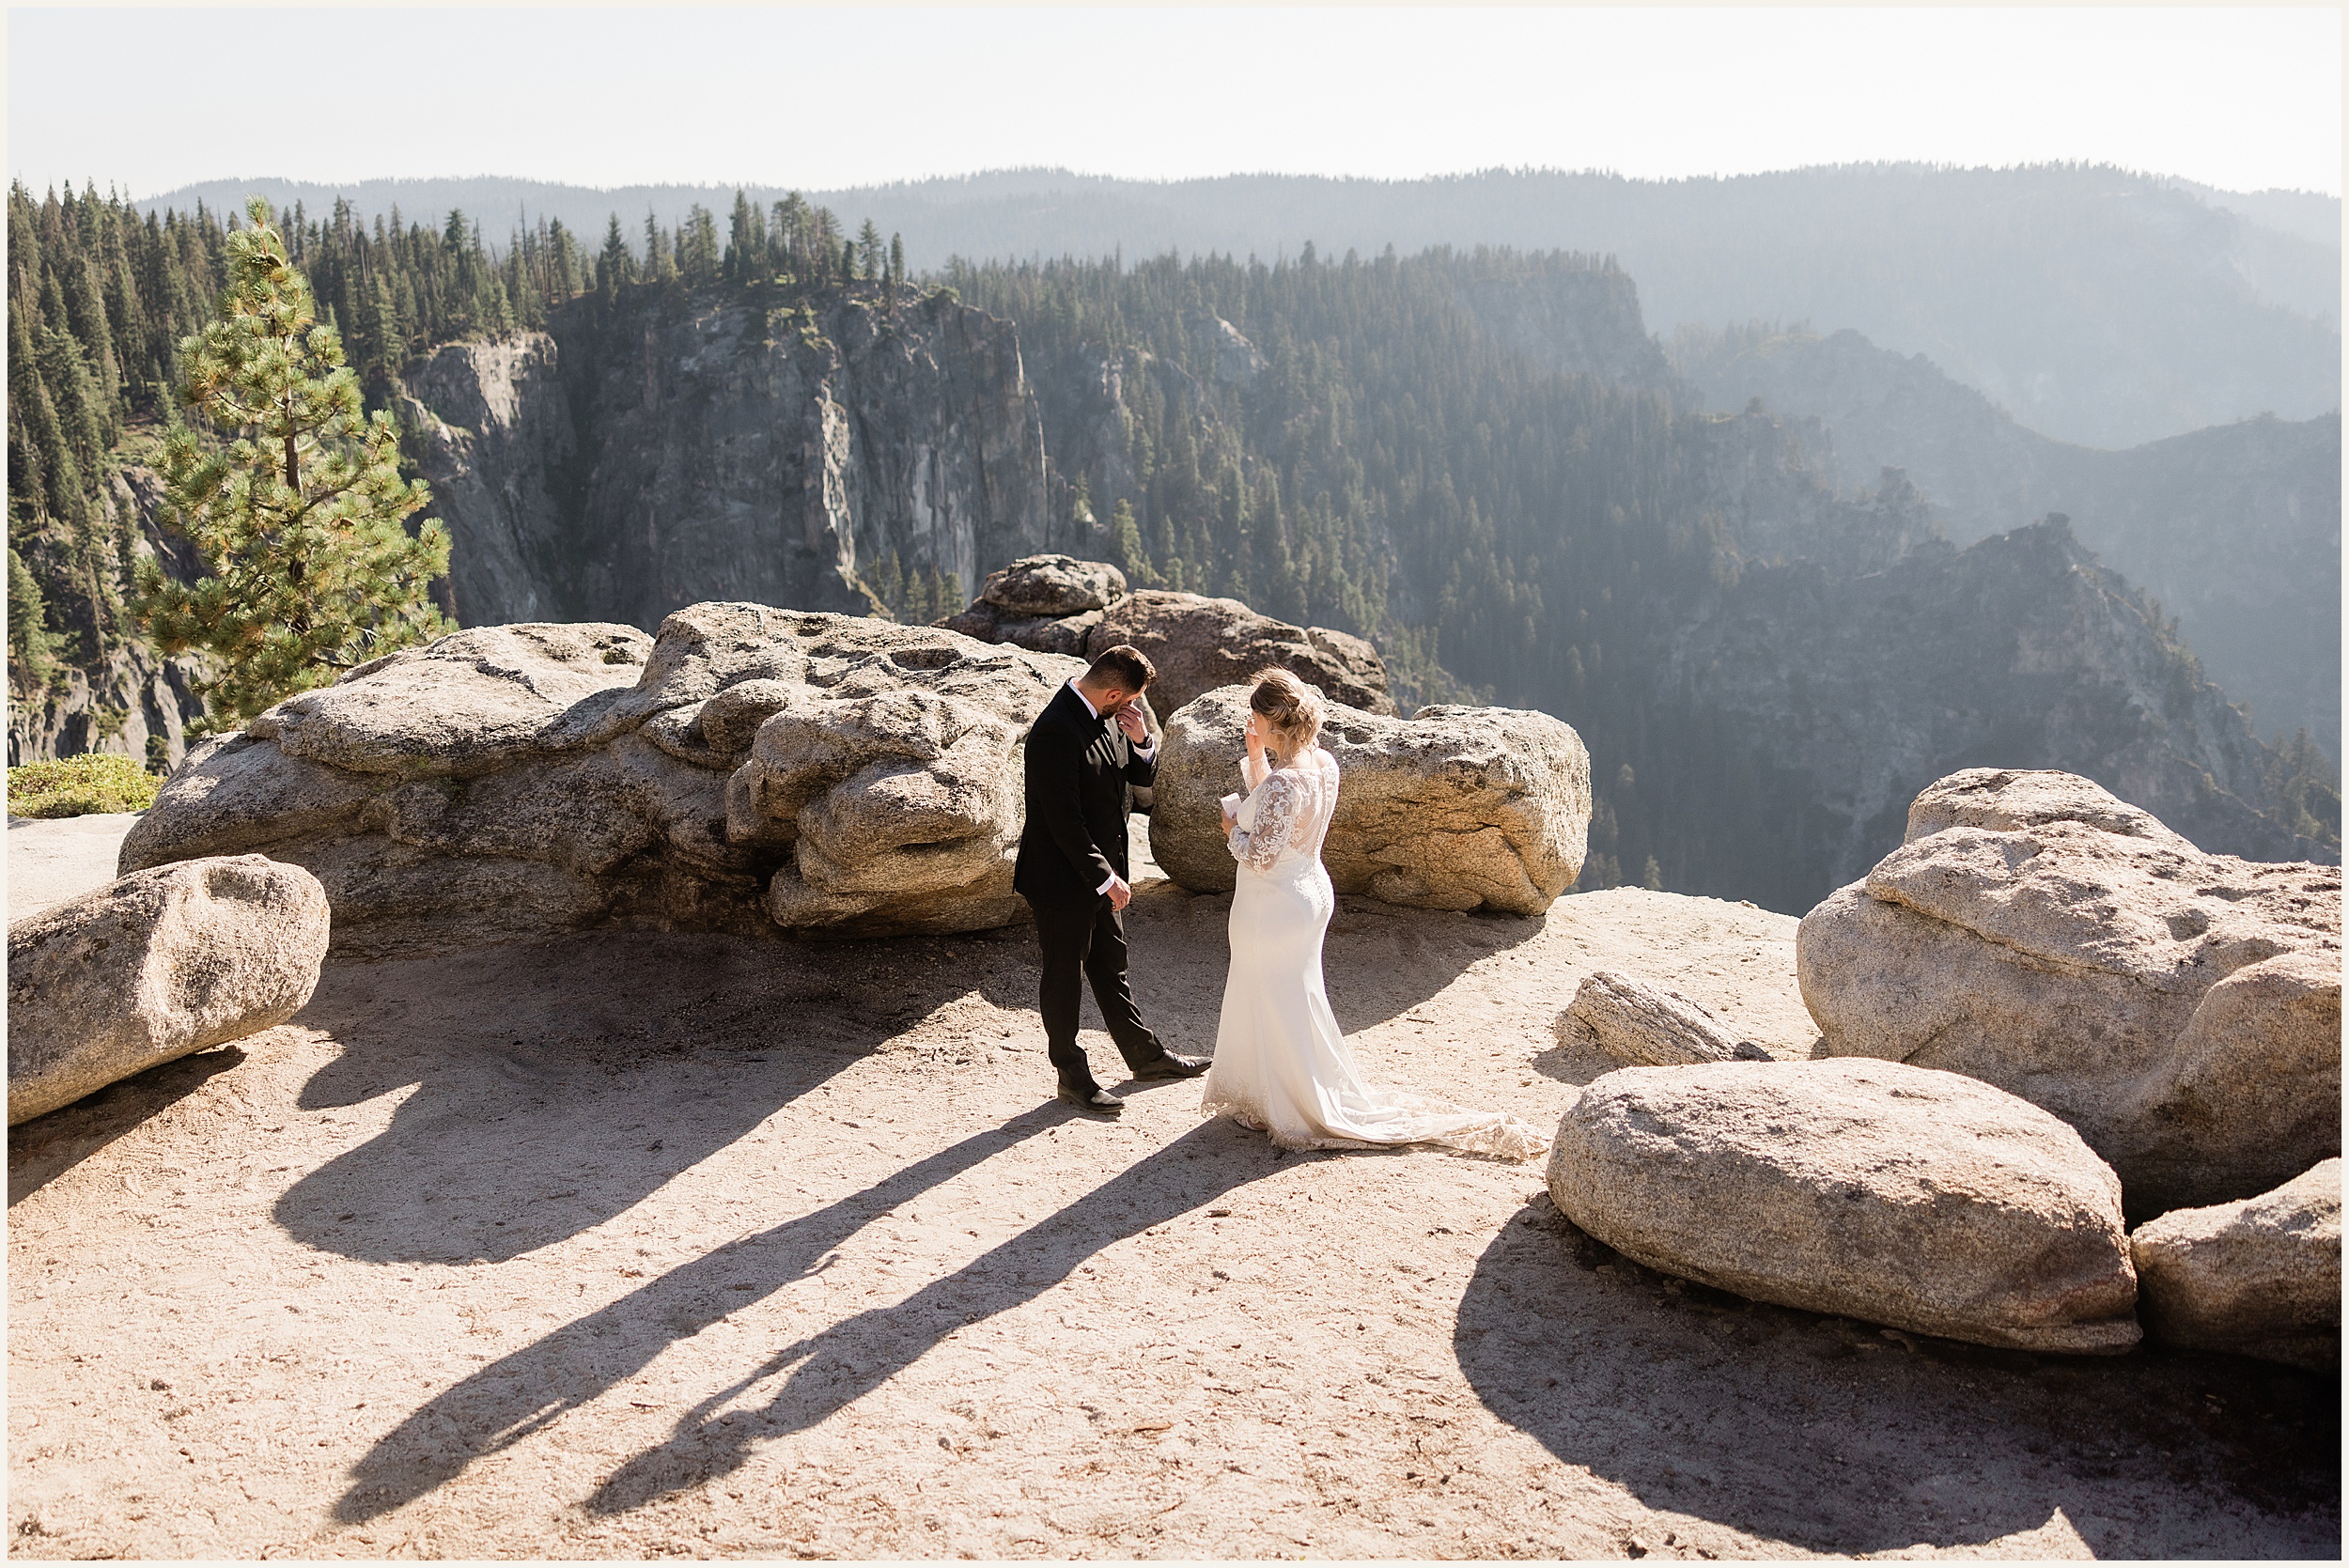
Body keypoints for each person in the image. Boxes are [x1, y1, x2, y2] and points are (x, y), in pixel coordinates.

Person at [1199, 669, 1546, 1158]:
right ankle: (1279, 1092)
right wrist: (1256, 758)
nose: (1250, 723)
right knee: (1294, 995)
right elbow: (1277, 808)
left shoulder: (1285, 783)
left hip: (1272, 903)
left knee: (1268, 994)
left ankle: (1286, 1102)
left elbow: (1258, 851)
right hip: (1311, 891)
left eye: (1256, 718)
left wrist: (1231, 825)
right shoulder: (1323, 765)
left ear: (1273, 723)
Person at [1012, 644, 1210, 1115]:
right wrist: (1106, 879)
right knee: (1063, 976)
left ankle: (1145, 1057)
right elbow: (1064, 823)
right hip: (1063, 879)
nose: (1131, 709)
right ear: (1114, 691)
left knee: (1110, 964)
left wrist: (1142, 740)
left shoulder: (1107, 715)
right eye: (1129, 702)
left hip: (1100, 872)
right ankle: (1072, 1077)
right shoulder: (1055, 731)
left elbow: (1135, 777)